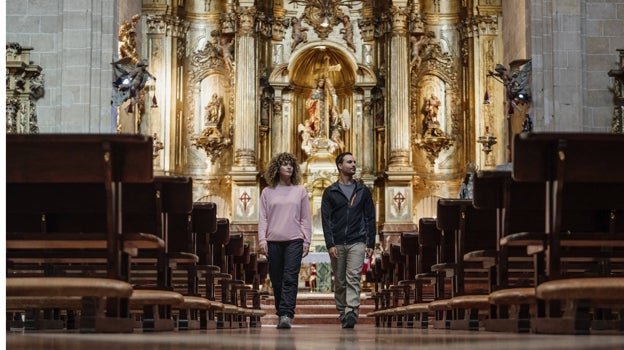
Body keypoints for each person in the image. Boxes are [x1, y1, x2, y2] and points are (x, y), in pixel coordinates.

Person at [321, 152, 376, 329]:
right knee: (340, 280)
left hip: (357, 240)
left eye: (354, 162)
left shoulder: (363, 191)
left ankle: (351, 310)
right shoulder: (330, 192)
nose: (353, 165)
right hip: (337, 241)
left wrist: (370, 243)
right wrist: (329, 243)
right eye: (349, 162)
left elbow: (370, 217)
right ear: (340, 165)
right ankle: (342, 311)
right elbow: (326, 220)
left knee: (353, 276)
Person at [258, 152, 312, 329]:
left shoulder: (300, 190)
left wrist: (306, 240)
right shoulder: (267, 192)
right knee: (276, 278)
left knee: (290, 277)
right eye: (284, 164)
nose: (289, 167)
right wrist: (262, 240)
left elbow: (305, 218)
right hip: (273, 240)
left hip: (295, 239)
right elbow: (263, 218)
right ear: (277, 168)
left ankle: (286, 314)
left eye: (291, 164)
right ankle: (281, 311)